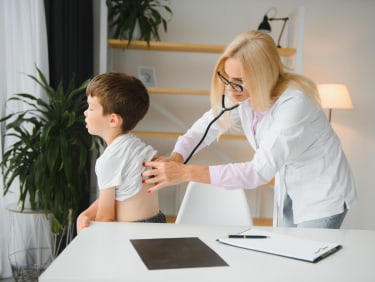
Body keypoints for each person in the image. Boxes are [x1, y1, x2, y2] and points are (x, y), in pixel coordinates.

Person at [142, 30, 357, 229]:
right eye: (226, 77)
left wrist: (185, 173)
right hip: (290, 186)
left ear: (262, 77)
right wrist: (176, 158)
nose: (228, 88)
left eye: (237, 81)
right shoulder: (242, 95)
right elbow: (204, 129)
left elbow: (257, 172)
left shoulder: (294, 105)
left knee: (310, 259)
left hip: (323, 194)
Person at [76, 72, 166, 234]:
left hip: (131, 235)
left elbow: (106, 219)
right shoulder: (137, 146)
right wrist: (87, 213)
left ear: (112, 120)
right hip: (157, 226)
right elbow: (118, 193)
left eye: (91, 107)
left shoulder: (108, 161)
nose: (85, 112)